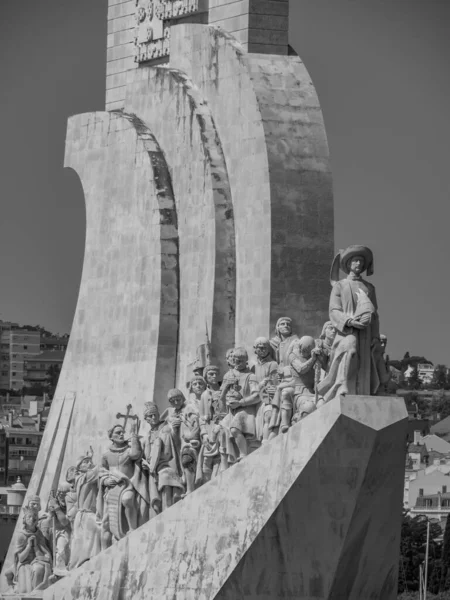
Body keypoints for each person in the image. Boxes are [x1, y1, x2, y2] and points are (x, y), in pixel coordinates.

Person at [317, 245, 389, 401]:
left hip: (366, 333)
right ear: (349, 263)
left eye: (361, 262)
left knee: (365, 366)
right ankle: (340, 385)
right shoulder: (340, 285)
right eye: (355, 261)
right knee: (351, 349)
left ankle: (363, 394)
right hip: (346, 332)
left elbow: (374, 314)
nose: (359, 265)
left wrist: (375, 336)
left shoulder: (369, 287)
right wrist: (349, 321)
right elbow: (334, 310)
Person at [99, 421, 149, 546]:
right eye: (118, 433)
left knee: (127, 499)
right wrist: (105, 480)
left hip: (127, 485)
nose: (121, 435)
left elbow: (136, 454)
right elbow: (101, 471)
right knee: (106, 521)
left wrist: (133, 435)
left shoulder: (128, 451)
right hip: (112, 488)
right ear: (111, 436)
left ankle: (132, 528)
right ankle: (106, 547)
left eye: (122, 432)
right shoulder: (106, 455)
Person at [220, 347, 263, 460]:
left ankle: (243, 454)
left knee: (234, 428)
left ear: (245, 361)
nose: (237, 363)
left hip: (246, 410)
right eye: (235, 360)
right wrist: (225, 388)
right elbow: (220, 403)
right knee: (221, 430)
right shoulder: (227, 376)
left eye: (240, 361)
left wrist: (240, 403)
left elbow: (257, 396)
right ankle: (226, 462)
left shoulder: (250, 376)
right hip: (231, 411)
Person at [142, 402, 184, 517]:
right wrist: (146, 463)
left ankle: (168, 506)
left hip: (168, 462)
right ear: (146, 419)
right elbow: (145, 454)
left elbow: (173, 445)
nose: (154, 417)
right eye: (150, 416)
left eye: (155, 414)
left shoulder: (166, 427)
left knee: (165, 475)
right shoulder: (148, 435)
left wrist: (175, 430)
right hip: (154, 467)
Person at [271, 336, 319, 432]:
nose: (304, 353)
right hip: (299, 390)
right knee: (287, 393)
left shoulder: (314, 355)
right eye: (303, 350)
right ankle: (286, 422)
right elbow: (301, 369)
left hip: (314, 390)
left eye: (307, 351)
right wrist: (313, 359)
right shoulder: (293, 356)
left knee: (322, 404)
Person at [161, 389, 201, 496]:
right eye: (172, 401)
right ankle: (188, 488)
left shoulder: (189, 408)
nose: (175, 403)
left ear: (182, 398)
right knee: (184, 463)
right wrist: (175, 429)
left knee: (187, 459)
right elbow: (174, 439)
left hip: (192, 441)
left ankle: (190, 489)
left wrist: (191, 436)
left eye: (177, 399)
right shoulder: (173, 415)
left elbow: (196, 423)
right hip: (181, 445)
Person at [68, 450, 102, 569]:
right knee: (96, 532)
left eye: (89, 462)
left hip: (83, 515)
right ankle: (84, 562)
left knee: (81, 540)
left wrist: (90, 459)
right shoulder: (84, 477)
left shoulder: (81, 477)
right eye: (85, 462)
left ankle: (78, 563)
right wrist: (93, 461)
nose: (88, 464)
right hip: (86, 515)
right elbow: (98, 469)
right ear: (79, 467)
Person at [12, 508, 52, 593]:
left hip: (37, 561)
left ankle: (37, 591)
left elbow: (41, 555)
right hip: (24, 564)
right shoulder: (21, 535)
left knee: (39, 568)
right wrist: (29, 546)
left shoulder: (39, 534)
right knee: (24, 590)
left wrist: (36, 546)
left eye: (34, 517)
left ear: (37, 520)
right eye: (29, 517)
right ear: (24, 520)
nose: (32, 519)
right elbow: (20, 559)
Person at [251, 337, 278, 442]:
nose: (262, 350)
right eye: (259, 347)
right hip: (256, 398)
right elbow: (252, 387)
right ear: (255, 349)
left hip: (268, 397)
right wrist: (260, 386)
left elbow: (275, 384)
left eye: (264, 347)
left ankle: (266, 441)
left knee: (268, 415)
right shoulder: (253, 367)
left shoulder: (273, 364)